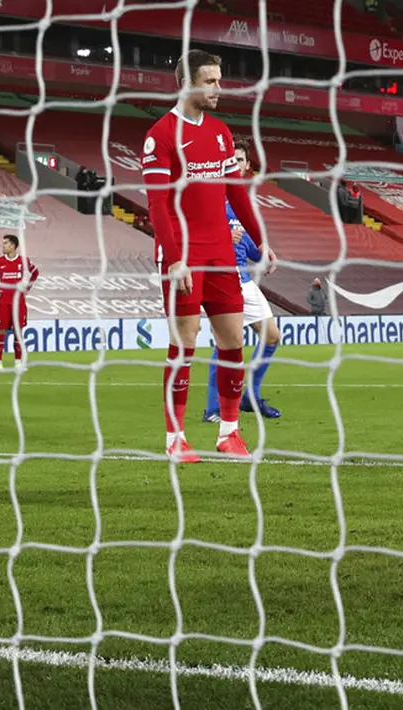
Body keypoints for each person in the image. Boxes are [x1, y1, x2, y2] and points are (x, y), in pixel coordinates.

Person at [142, 49, 274, 462]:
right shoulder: (161, 135)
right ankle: (175, 438)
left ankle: (229, 433)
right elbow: (158, 205)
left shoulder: (219, 132)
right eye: (211, 81)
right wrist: (175, 256)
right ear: (188, 83)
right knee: (185, 343)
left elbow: (236, 192)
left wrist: (261, 239)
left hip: (220, 252)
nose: (220, 88)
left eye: (220, 79)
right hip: (183, 253)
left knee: (232, 339)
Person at [203, 148, 283, 422]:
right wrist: (225, 235)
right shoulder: (210, 196)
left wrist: (265, 254)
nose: (234, 164)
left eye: (239, 160)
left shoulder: (242, 204)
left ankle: (250, 396)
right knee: (227, 342)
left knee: (272, 336)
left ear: (248, 165)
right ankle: (213, 408)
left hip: (245, 280)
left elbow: (247, 244)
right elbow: (194, 233)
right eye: (230, 160)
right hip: (221, 279)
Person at [0, 234, 39, 371]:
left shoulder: (23, 260)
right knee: (1, 331)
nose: (3, 246)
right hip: (4, 302)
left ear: (13, 246)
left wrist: (27, 288)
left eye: (5, 243)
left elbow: (35, 272)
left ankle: (18, 362)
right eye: (3, 243)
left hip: (18, 302)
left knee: (18, 332)